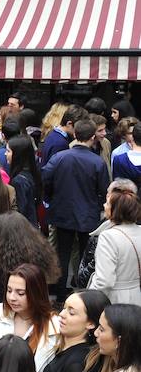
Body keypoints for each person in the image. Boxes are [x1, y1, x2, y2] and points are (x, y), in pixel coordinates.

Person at [42, 119, 110, 303]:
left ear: (75, 134)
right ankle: (83, 293)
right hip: (88, 215)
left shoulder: (60, 157)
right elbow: (104, 191)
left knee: (62, 253)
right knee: (85, 256)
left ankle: (61, 294)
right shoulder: (97, 162)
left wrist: (50, 199)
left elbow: (46, 180)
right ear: (93, 137)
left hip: (62, 212)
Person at [0, 263, 60, 372]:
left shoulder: (53, 326)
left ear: (37, 293)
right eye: (9, 290)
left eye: (20, 293)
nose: (12, 297)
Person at [88, 178, 141, 305]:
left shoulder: (108, 236)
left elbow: (104, 281)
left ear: (116, 209)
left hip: (114, 299)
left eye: (108, 203)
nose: (104, 206)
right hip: (136, 295)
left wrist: (87, 303)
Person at [7, 135, 42, 227]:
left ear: (17, 155)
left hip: (23, 230)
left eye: (8, 151)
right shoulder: (33, 172)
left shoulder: (18, 181)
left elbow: (20, 211)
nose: (5, 154)